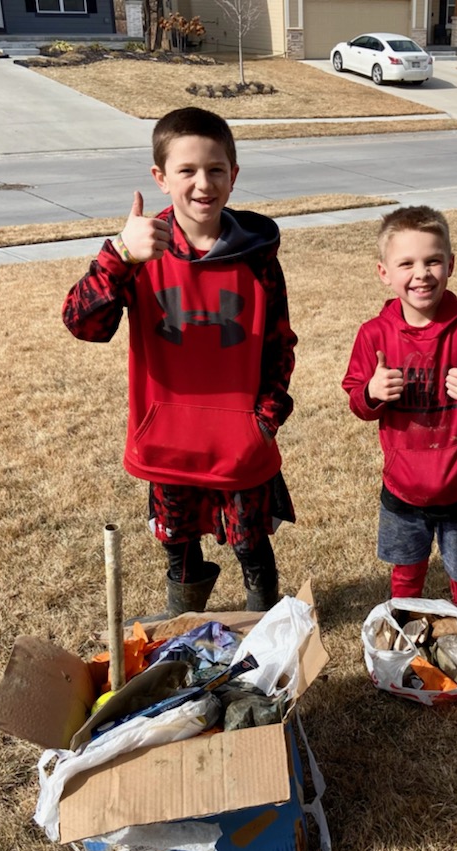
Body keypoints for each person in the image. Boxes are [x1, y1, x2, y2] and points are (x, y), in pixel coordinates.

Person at [63, 107, 296, 616]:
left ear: (233, 175)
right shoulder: (140, 252)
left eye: (215, 169)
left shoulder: (258, 256)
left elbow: (280, 343)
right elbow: (84, 325)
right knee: (177, 537)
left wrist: (265, 418)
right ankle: (182, 617)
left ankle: (262, 618)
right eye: (186, 170)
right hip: (168, 436)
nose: (203, 184)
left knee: (250, 538)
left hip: (240, 437)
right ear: (161, 178)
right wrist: (119, 255)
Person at [341, 206, 457, 615]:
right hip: (401, 484)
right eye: (406, 263)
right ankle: (402, 631)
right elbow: (357, 401)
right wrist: (371, 392)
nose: (421, 273)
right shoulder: (373, 334)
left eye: (432, 261)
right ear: (384, 272)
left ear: (450, 264)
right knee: (405, 574)